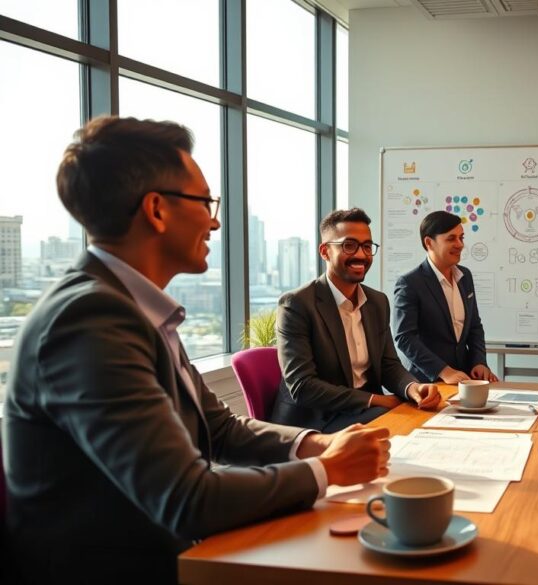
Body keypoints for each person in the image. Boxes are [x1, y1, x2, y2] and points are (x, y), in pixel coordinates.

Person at [2, 117, 391, 584]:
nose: (216, 219)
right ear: (157, 210)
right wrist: (325, 470)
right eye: (206, 201)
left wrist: (316, 443)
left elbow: (219, 427)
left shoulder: (133, 305)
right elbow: (186, 498)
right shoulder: (89, 320)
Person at [272, 208, 442, 431]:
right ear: (325, 251)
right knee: (407, 425)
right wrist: (375, 400)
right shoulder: (296, 305)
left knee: (429, 416)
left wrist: (412, 387)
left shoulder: (377, 302)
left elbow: (388, 364)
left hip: (364, 411)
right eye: (349, 245)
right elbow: (303, 386)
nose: (361, 255)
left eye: (367, 246)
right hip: (315, 420)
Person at [393, 211, 498, 384]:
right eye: (451, 239)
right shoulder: (409, 283)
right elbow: (405, 338)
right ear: (429, 243)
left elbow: (474, 327)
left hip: (463, 379)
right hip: (426, 382)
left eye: (461, 238)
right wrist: (444, 371)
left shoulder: (465, 276)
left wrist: (479, 362)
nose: (460, 245)